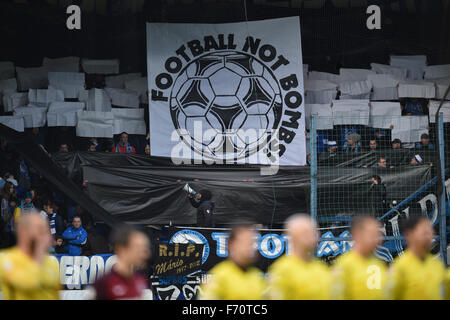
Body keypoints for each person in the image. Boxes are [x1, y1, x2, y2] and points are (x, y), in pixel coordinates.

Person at [267, 214, 332, 299]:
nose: (313, 236)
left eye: (314, 231)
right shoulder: (282, 270)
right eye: (306, 232)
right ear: (293, 236)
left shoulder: (321, 269)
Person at [0, 212, 60, 299]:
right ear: (23, 232)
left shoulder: (52, 263)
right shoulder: (6, 260)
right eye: (40, 229)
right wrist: (39, 255)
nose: (46, 235)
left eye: (46, 231)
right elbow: (27, 283)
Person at [199, 222, 266, 300]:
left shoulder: (257, 278)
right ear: (231, 245)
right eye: (243, 243)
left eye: (251, 243)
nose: (248, 248)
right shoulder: (219, 277)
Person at [387, 216, 447, 300]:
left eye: (431, 232)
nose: (429, 236)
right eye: (424, 233)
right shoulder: (399, 268)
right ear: (409, 235)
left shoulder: (437, 265)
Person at [88, 225, 151, 300]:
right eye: (138, 248)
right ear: (121, 249)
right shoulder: (103, 285)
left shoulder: (140, 281)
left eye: (145, 248)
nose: (146, 254)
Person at [332, 216, 387, 299]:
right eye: (371, 234)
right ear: (357, 234)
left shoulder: (379, 263)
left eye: (377, 235)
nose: (376, 239)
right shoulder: (344, 265)